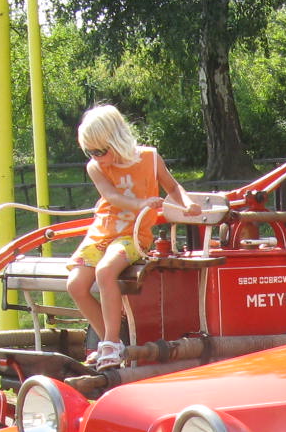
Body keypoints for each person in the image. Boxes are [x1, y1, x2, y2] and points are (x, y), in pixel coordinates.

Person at [66, 105, 193, 369]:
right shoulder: (96, 167)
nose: (97, 158)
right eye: (91, 152)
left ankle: (111, 343)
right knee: (76, 285)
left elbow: (172, 186)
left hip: (132, 235)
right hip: (103, 231)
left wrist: (188, 203)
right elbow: (112, 197)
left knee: (105, 271)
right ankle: (110, 340)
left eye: (101, 151)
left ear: (117, 140)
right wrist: (141, 203)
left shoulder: (149, 158)